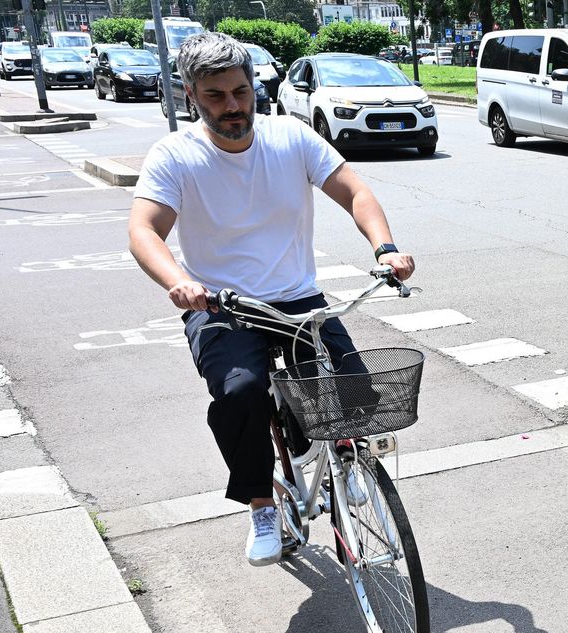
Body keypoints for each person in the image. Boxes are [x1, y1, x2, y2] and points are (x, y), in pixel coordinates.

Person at [128, 32, 415, 567]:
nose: (233, 106)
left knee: (354, 387)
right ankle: (262, 504)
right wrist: (179, 282)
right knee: (241, 394)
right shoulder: (175, 155)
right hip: (221, 307)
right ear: (191, 94)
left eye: (241, 91)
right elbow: (144, 230)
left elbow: (355, 190)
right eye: (215, 95)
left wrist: (386, 247)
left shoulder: (290, 137)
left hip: (298, 299)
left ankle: (343, 462)